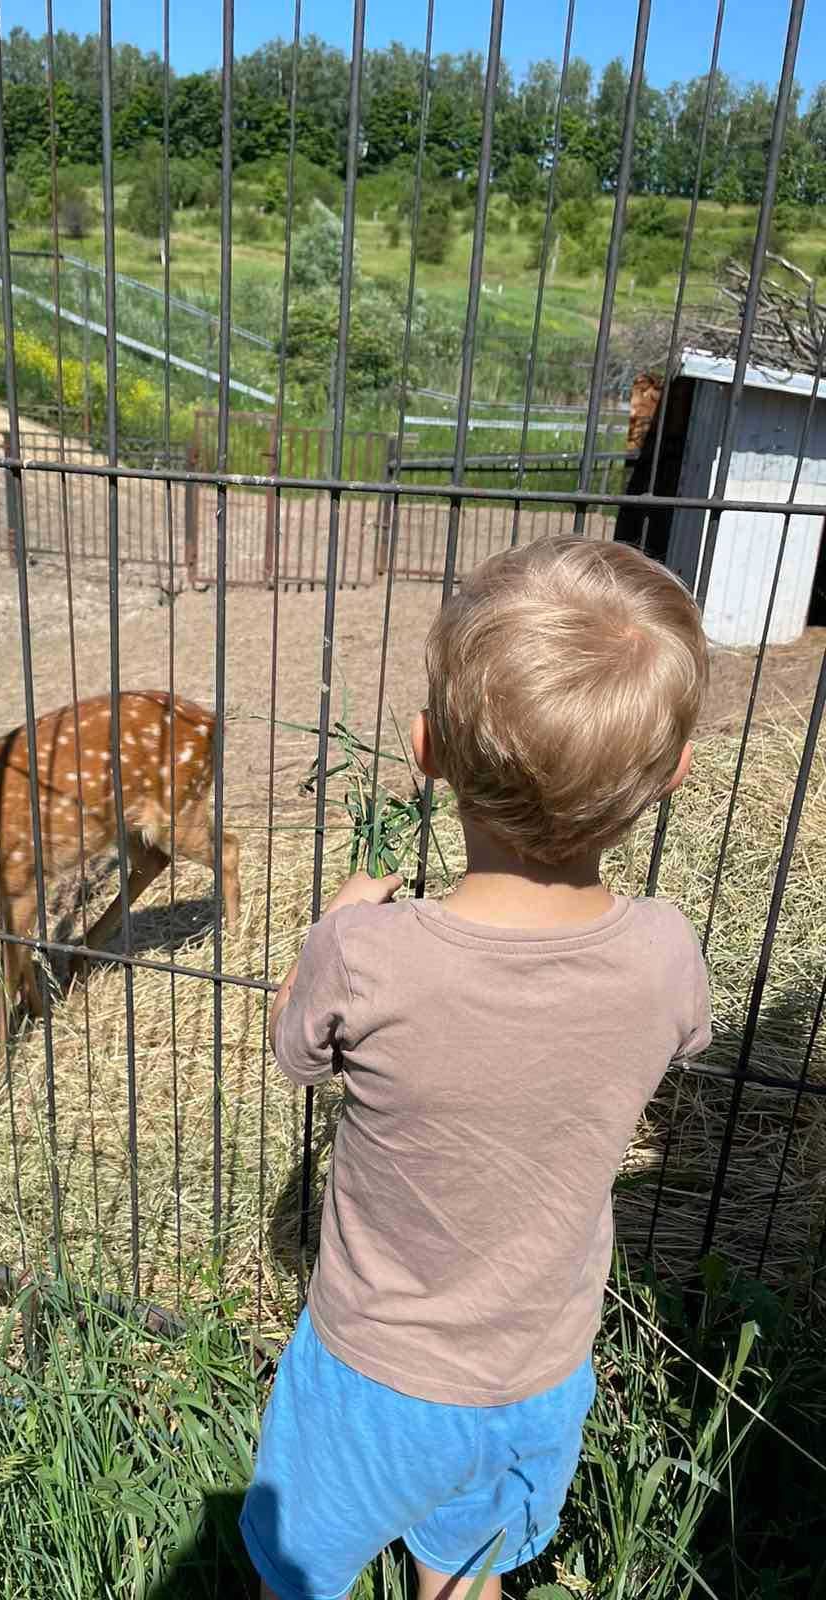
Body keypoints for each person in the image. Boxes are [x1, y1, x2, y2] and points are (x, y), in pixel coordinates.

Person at [241, 537, 712, 1600]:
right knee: (467, 1579)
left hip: (374, 1375)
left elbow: (292, 1050)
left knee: (298, 1579)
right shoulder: (668, 955)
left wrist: (337, 920)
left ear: (429, 748)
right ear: (673, 777)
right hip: (539, 1374)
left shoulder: (371, 956)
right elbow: (670, 1041)